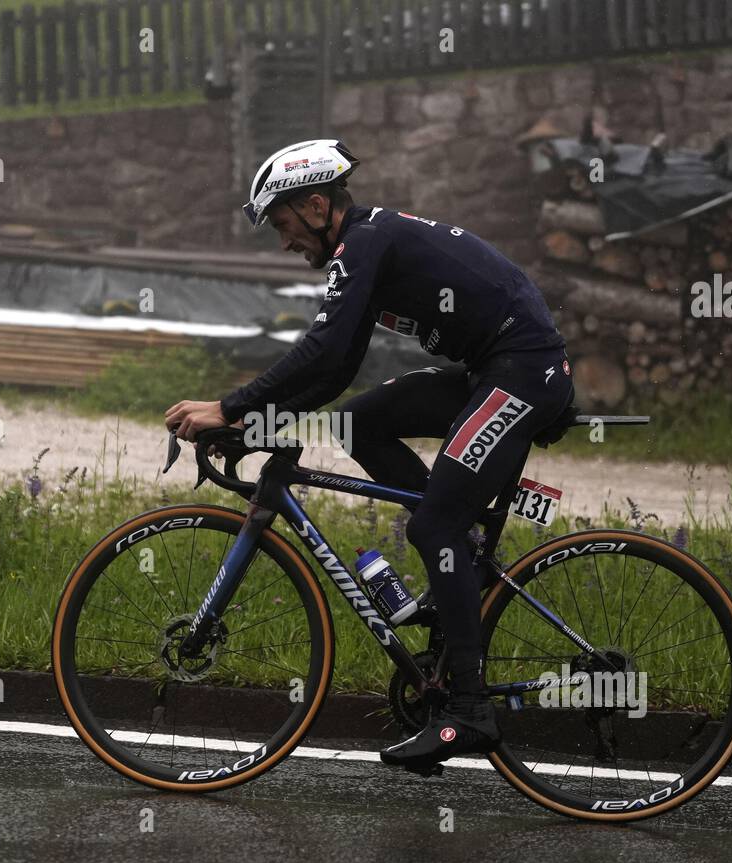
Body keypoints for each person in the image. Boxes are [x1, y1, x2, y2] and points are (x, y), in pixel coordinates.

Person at [165, 139, 574, 769]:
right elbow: (335, 375)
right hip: (493, 367)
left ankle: (470, 711)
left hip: (523, 371)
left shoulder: (364, 243)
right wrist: (249, 428)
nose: (284, 243)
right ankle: (457, 566)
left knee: (434, 521)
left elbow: (324, 350)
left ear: (318, 205)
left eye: (283, 225)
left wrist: (229, 405)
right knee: (355, 423)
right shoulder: (363, 247)